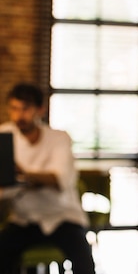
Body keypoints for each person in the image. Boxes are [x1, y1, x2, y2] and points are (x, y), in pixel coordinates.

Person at [0, 83, 95, 274]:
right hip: (24, 219)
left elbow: (59, 179)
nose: (19, 116)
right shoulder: (4, 135)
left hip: (62, 217)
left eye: (25, 109)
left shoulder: (59, 139)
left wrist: (22, 175)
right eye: (15, 109)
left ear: (40, 110)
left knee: (84, 262)